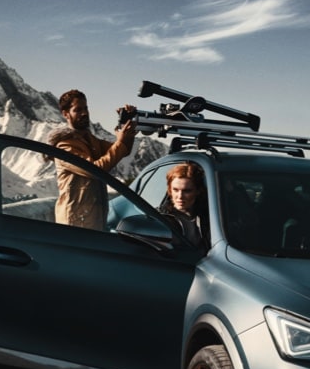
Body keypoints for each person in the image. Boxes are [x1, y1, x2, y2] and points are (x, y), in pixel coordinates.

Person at [47, 89, 137, 230]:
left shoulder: (90, 140)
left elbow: (122, 150)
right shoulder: (64, 146)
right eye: (78, 110)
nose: (84, 113)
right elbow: (96, 169)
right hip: (75, 223)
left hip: (94, 220)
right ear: (66, 114)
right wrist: (121, 140)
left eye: (86, 108)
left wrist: (126, 127)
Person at [159, 162, 210, 251]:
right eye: (175, 190)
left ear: (198, 191)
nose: (180, 196)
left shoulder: (211, 216)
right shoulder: (161, 218)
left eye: (187, 191)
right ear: (169, 190)